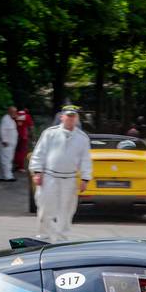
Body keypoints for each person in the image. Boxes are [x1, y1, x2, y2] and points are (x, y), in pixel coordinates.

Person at [29, 104, 92, 242]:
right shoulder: (50, 133)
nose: (70, 119)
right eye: (68, 116)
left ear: (77, 119)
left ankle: (62, 238)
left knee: (67, 210)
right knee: (45, 207)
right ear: (62, 117)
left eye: (73, 116)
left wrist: (85, 178)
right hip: (49, 177)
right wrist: (37, 172)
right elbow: (39, 153)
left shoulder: (82, 138)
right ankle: (43, 236)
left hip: (69, 179)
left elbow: (85, 159)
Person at [0, 105, 18, 181]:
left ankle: (1, 176)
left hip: (10, 144)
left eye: (15, 111)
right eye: (13, 111)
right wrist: (4, 140)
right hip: (6, 144)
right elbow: (2, 130)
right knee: (6, 160)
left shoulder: (11, 119)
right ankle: (8, 176)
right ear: (9, 111)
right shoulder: (5, 119)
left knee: (4, 160)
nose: (15, 113)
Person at [13, 107, 34, 172]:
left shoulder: (16, 115)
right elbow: (31, 127)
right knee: (22, 152)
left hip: (14, 135)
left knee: (16, 151)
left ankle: (16, 165)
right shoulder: (27, 116)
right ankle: (21, 167)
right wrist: (32, 136)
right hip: (23, 136)